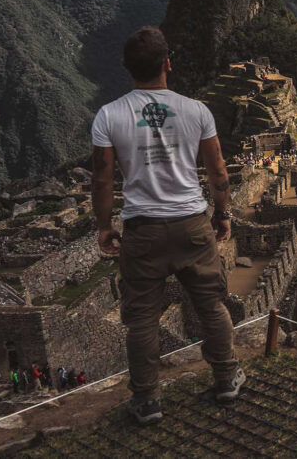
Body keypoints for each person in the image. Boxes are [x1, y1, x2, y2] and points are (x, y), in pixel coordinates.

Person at [92, 27, 245, 426]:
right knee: (210, 304)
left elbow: (103, 179)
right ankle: (227, 376)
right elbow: (217, 171)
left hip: (142, 229)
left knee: (141, 318)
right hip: (191, 223)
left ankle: (146, 401)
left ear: (127, 69)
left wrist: (105, 226)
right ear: (168, 64)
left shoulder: (109, 115)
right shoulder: (196, 110)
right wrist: (222, 212)